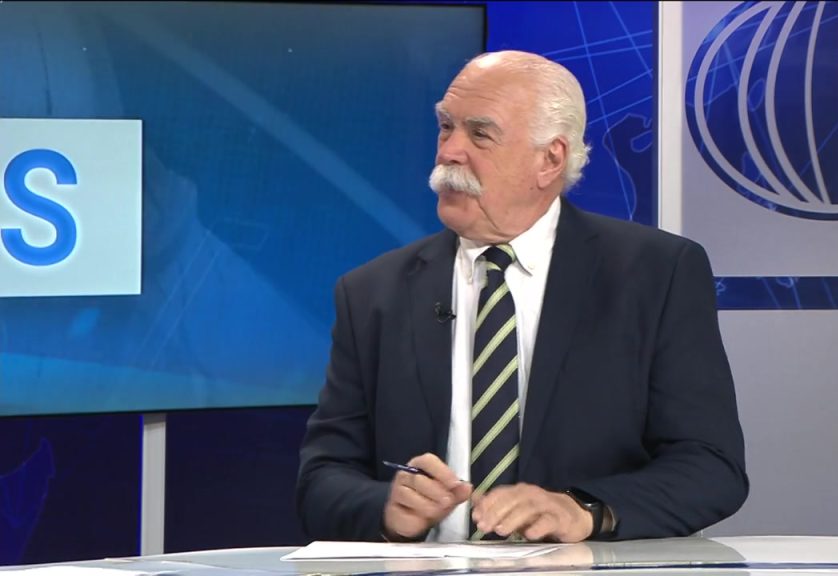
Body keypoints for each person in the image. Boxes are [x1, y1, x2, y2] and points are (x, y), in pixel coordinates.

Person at [297, 50, 747, 543]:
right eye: (446, 127)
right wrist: (386, 508)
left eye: (480, 134)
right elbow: (323, 479)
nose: (449, 152)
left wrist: (585, 510)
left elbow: (711, 466)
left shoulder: (655, 274)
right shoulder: (372, 293)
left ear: (549, 159)